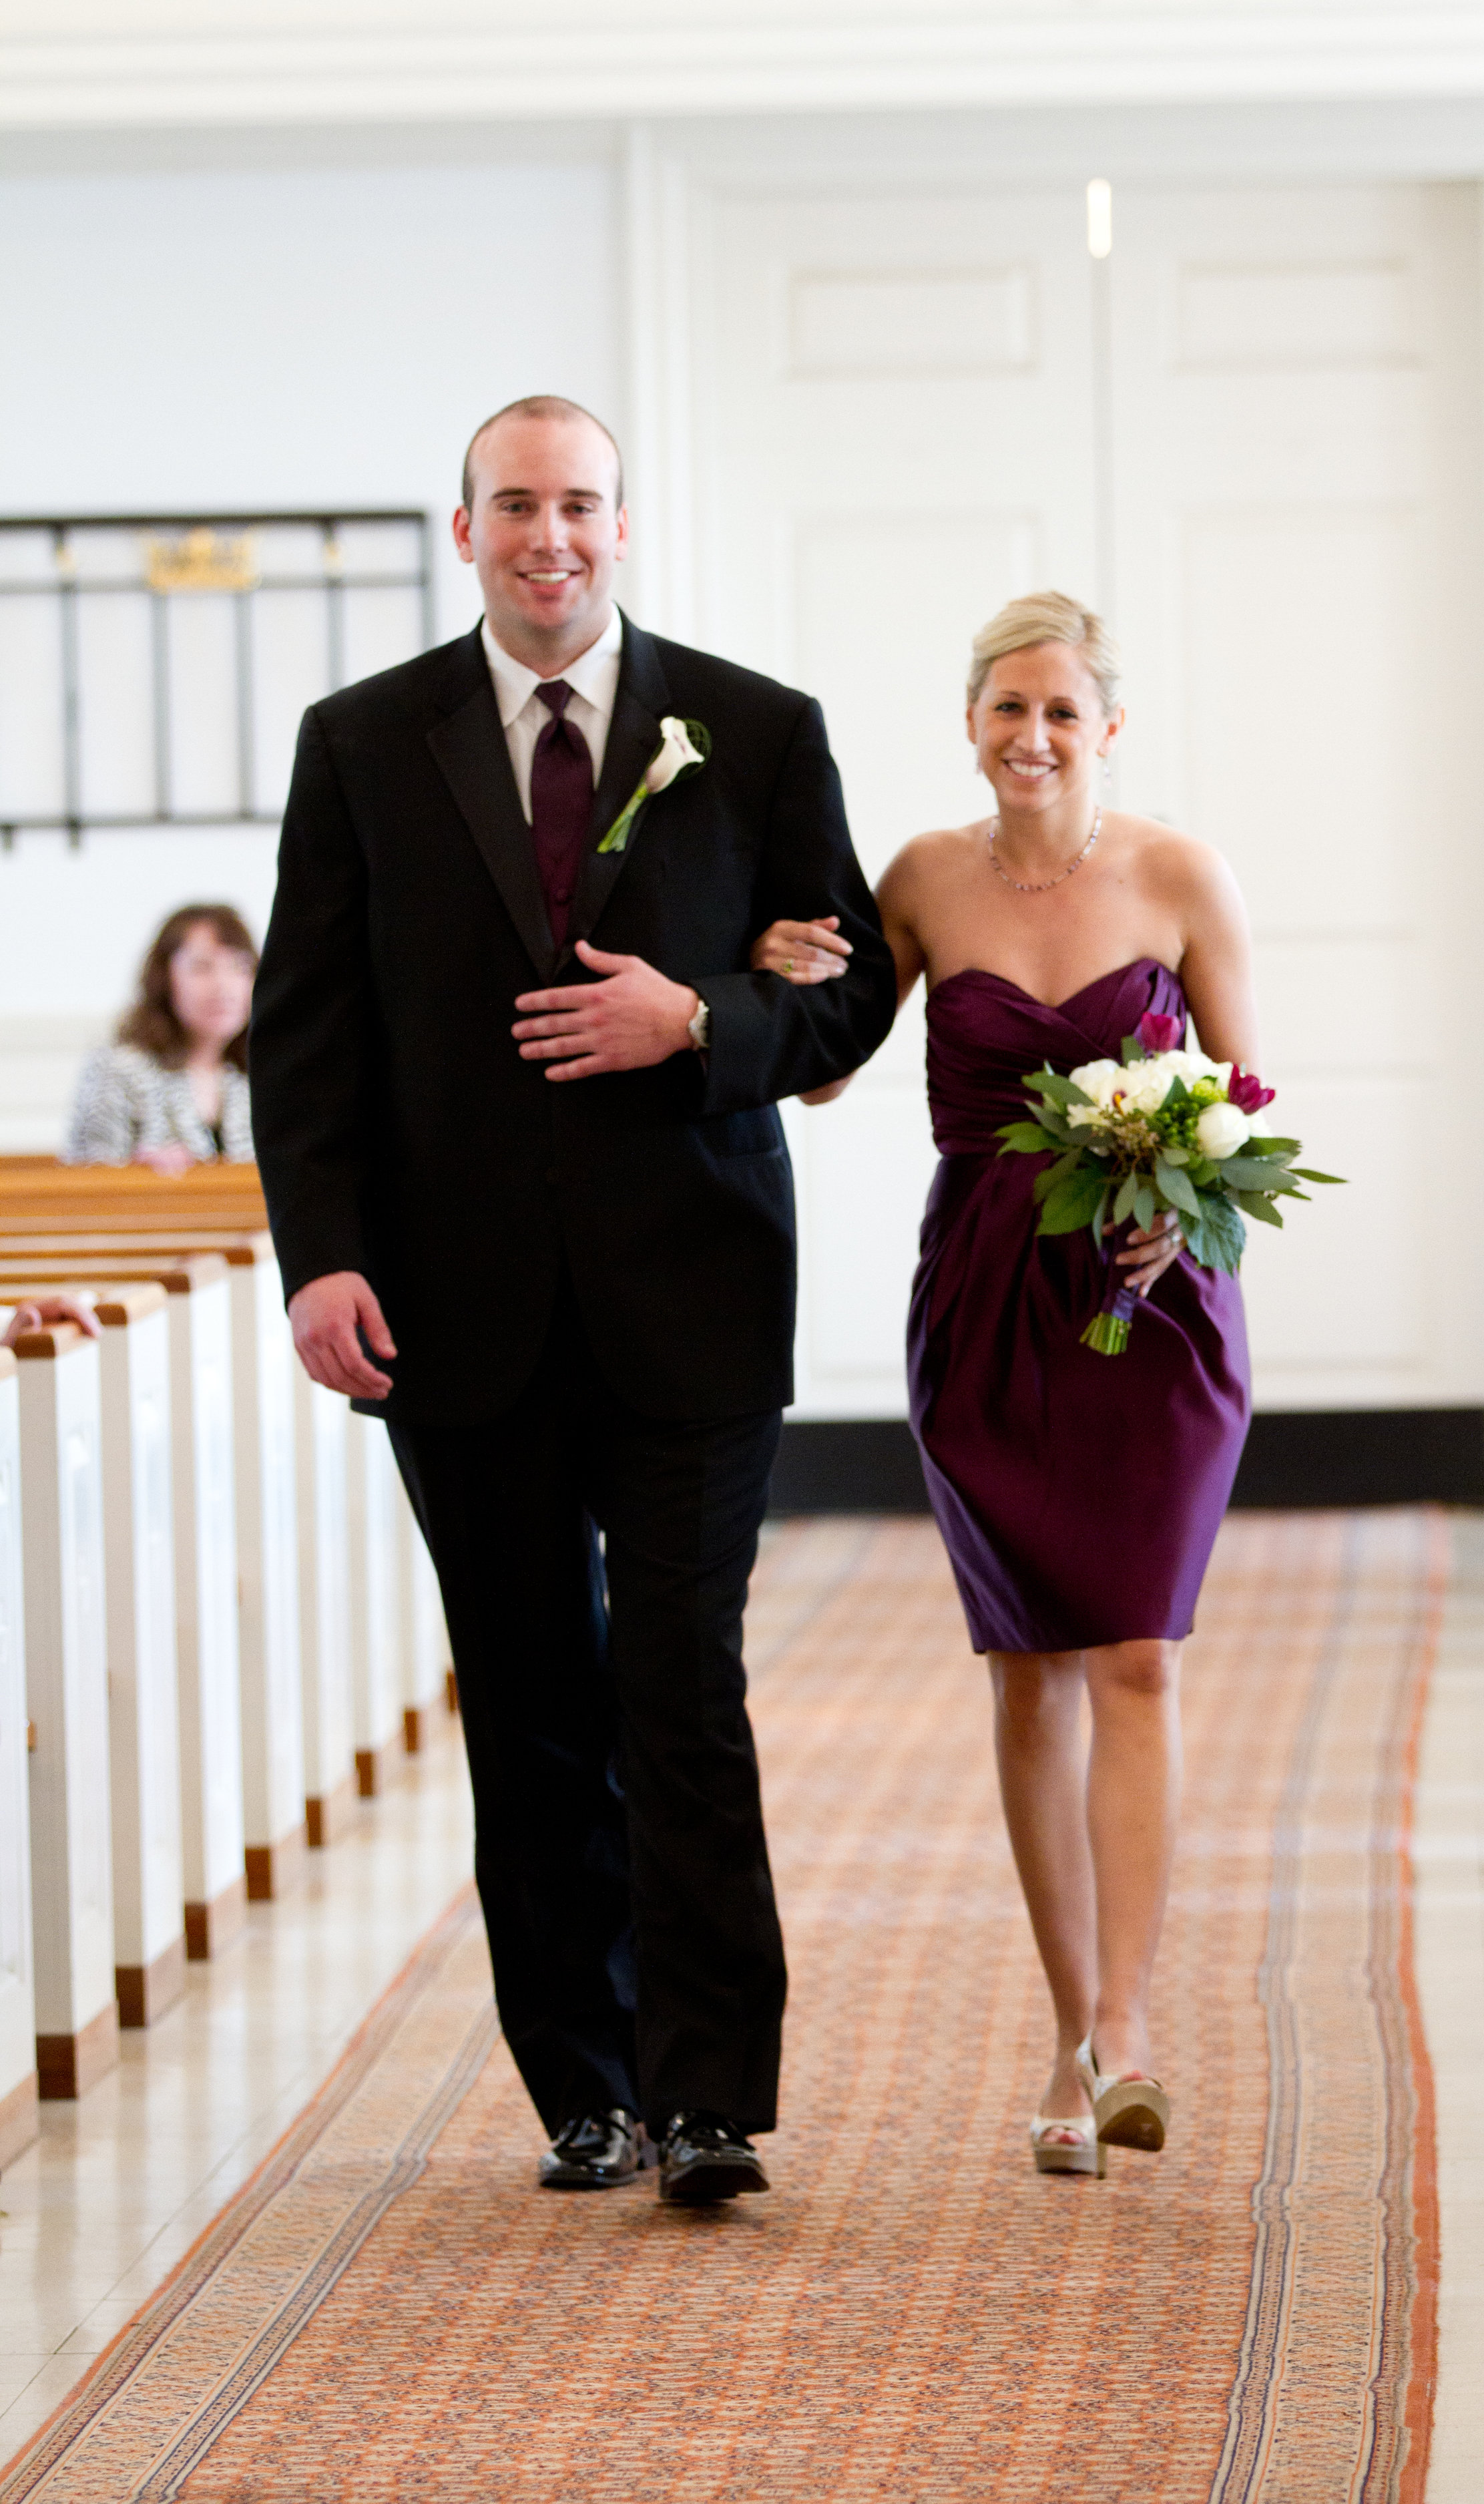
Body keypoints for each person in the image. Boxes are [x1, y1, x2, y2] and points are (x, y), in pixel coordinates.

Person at [250, 395, 894, 2206]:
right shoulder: (363, 741)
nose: (552, 535)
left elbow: (847, 998)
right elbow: (306, 1038)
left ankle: (708, 2095)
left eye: (582, 504)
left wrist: (695, 1020)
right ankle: (582, 2086)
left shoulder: (755, 731)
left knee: (680, 1683)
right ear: (464, 530)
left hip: (689, 1284)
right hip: (453, 1309)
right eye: (516, 504)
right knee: (530, 1694)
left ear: (627, 526)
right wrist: (324, 1252)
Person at [751, 591, 1256, 2176]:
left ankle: (1130, 2025)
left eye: (1061, 711)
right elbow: (826, 1062)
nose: (1031, 737)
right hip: (981, 1298)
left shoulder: (1178, 874)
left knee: (1138, 1658)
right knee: (1028, 1665)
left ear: (1110, 726)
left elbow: (1247, 1092)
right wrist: (771, 962)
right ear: (970, 723)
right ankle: (1064, 2028)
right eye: (1004, 709)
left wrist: (1172, 1216)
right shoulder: (918, 878)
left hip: (1151, 1302)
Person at [65, 903, 258, 1173]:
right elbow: (85, 1186)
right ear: (164, 978)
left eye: (239, 967)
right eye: (202, 967)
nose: (224, 985)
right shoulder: (119, 1070)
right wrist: (137, 1171)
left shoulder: (258, 1077)